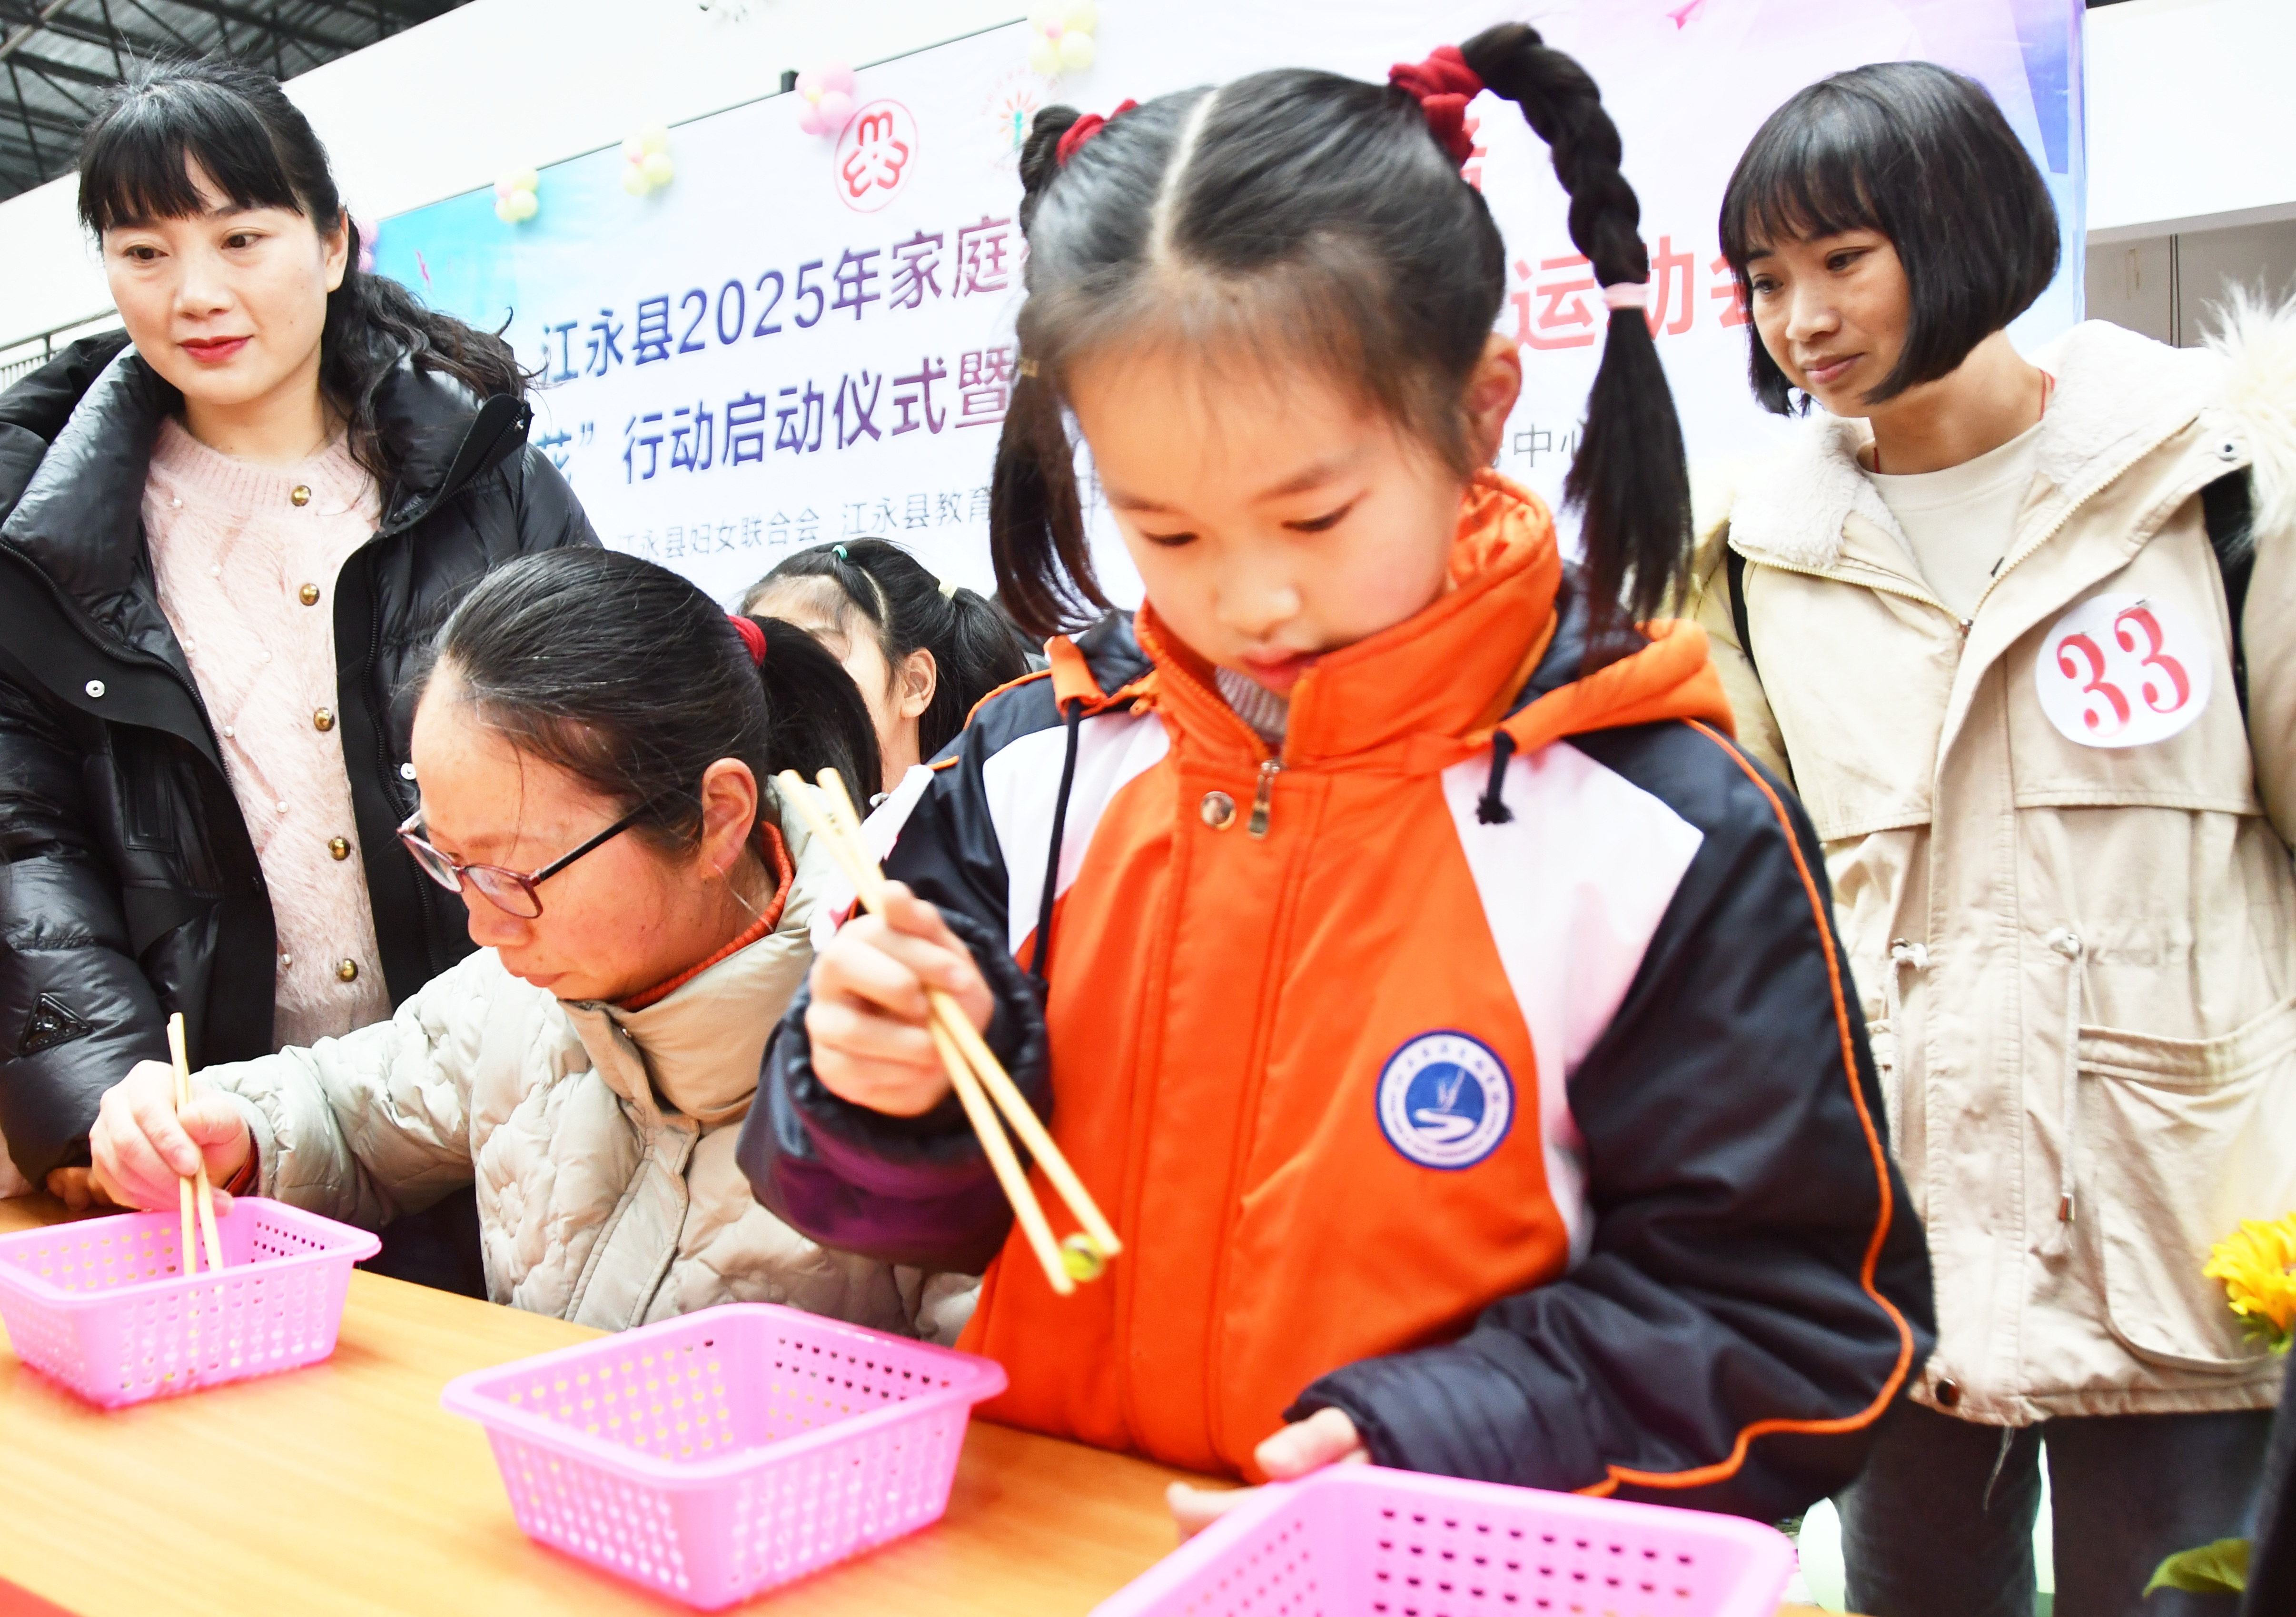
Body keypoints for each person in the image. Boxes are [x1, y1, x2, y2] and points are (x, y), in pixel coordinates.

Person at [741, 25, 1934, 1530]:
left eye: (1314, 517)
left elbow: (1792, 1325)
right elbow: (890, 1199)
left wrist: (1448, 1438)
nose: (1252, 600)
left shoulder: (1649, 822)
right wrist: (876, 1089)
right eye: (1166, 532)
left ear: (1483, 404)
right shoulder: (1039, 758)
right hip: (1075, 1553)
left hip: (1434, 1564)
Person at [1692, 62, 2296, 1617]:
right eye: (1767, 279)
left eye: (1843, 259)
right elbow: (1762, 921)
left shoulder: (2217, 485)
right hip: (1898, 1251)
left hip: (2186, 1234)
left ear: (1961, 232)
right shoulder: (1754, 557)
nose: (1800, 315)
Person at [0, 58, 595, 1293]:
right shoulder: (50, 538)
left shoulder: (487, 480)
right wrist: (118, 1085)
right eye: (145, 251)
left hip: (506, 1109)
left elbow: (608, 756)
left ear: (331, 243)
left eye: (241, 237)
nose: (197, 293)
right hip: (223, 1158)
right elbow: (25, 836)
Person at [83, 548, 958, 1336]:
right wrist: (219, 1130)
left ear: (716, 817)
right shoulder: (514, 1001)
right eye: (450, 859)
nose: (482, 922)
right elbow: (348, 1116)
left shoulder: (903, 1036)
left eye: (514, 872)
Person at [741, 539, 1037, 795]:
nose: (775, 687)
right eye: (761, 665)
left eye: (818, 656)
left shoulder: (993, 839)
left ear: (914, 684)